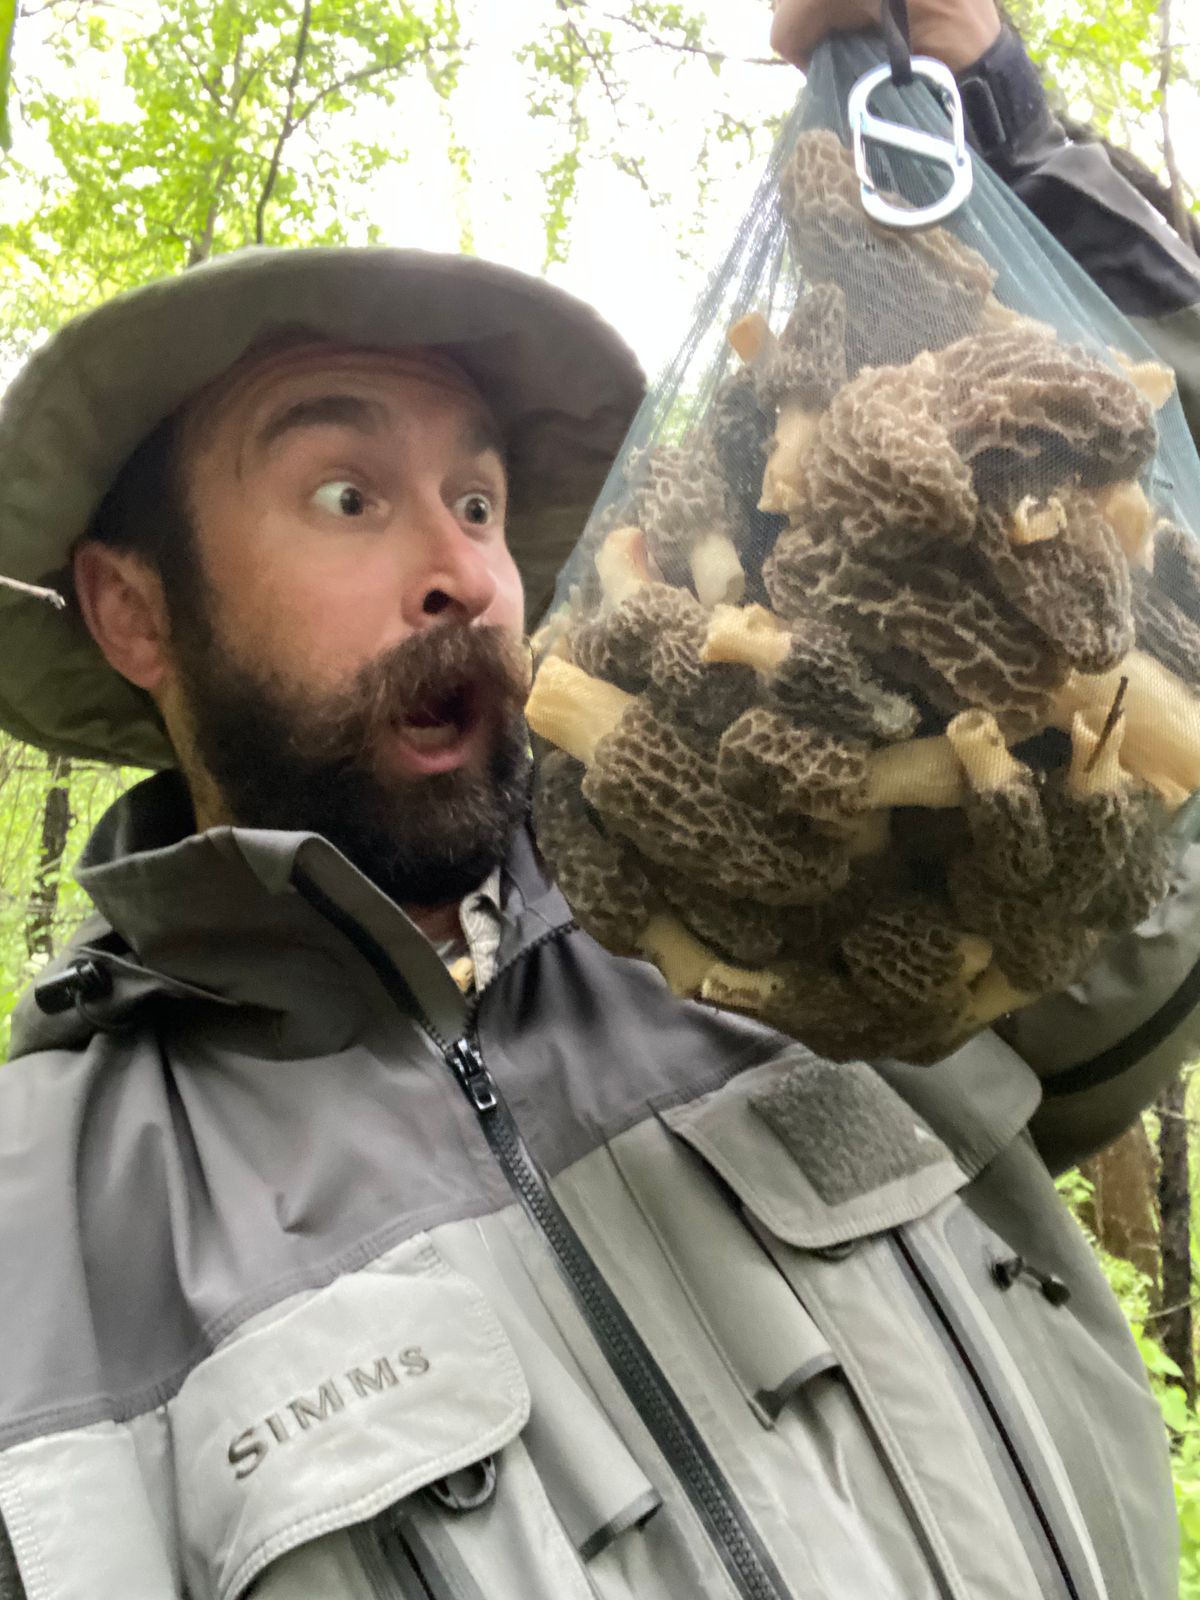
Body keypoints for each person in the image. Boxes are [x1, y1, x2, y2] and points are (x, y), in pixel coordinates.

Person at [0, 2, 1197, 1595]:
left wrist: (1004, 127)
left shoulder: (795, 905)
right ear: (134, 612)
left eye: (478, 497)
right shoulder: (44, 1243)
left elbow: (1147, 626)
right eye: (347, 495)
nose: (464, 571)